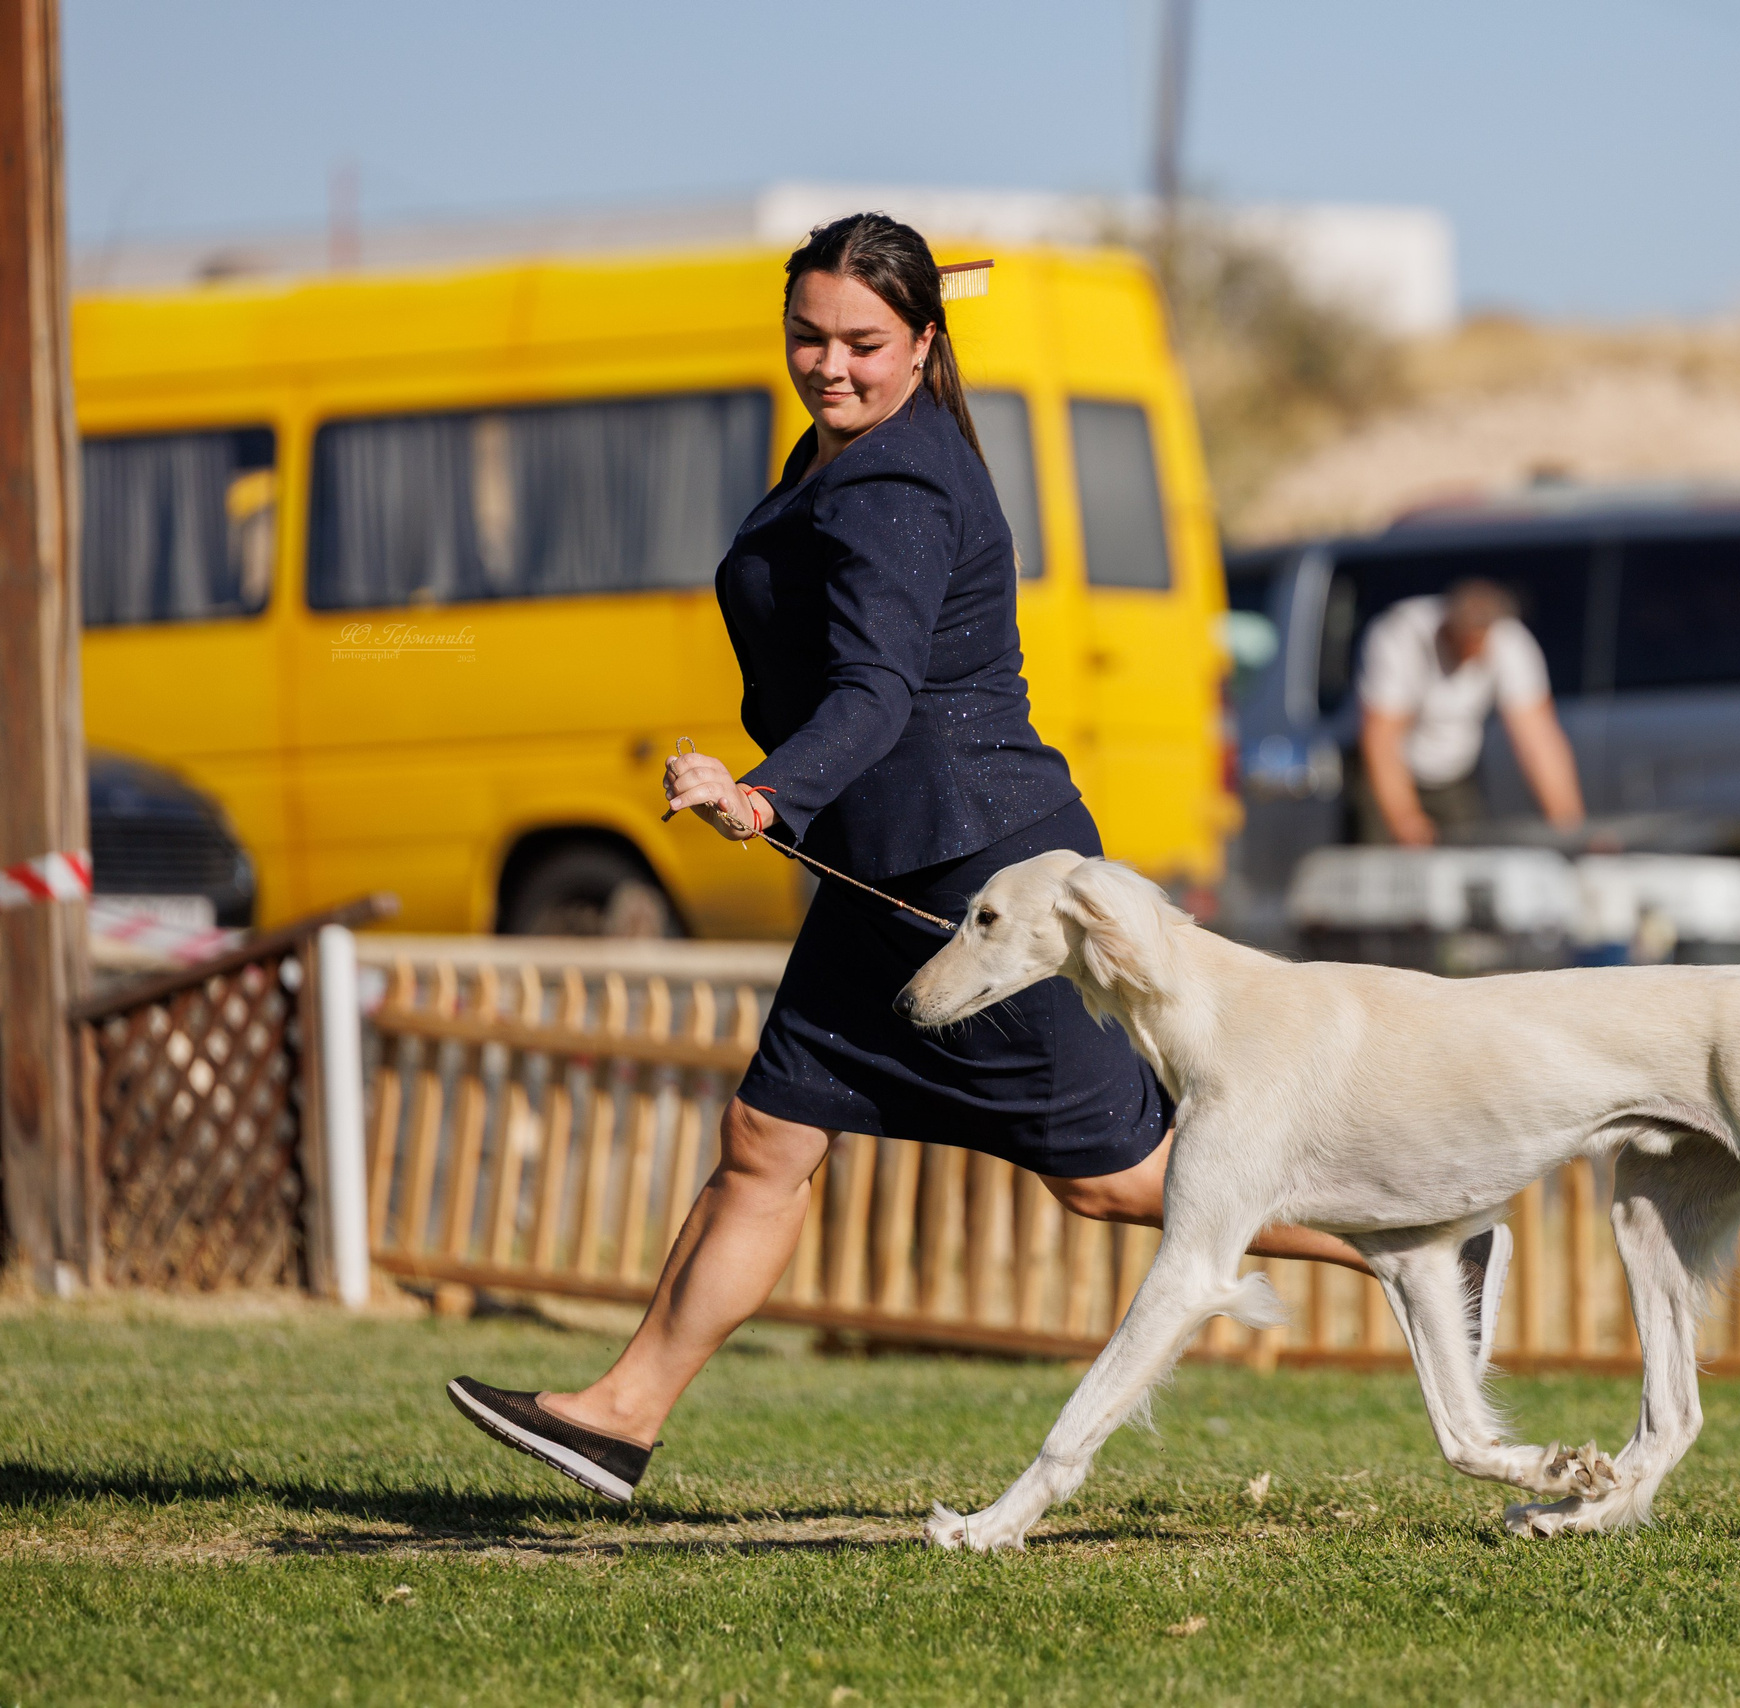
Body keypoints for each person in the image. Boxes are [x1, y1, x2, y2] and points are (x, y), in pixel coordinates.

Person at [445, 214, 1371, 1504]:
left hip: (972, 885)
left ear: (924, 342)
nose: (831, 365)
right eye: (808, 338)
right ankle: (618, 1415)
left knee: (1113, 1178)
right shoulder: (853, 448)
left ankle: (1411, 1236)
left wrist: (765, 797)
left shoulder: (895, 482)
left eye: (864, 344)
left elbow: (875, 693)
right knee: (768, 1135)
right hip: (885, 874)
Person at [1352, 579, 1585, 846]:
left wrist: (1571, 828)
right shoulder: (1399, 636)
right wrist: (1405, 819)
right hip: (1387, 776)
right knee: (1386, 867)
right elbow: (1382, 739)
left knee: (1469, 858)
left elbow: (1539, 740)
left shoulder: (1510, 643)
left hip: (1455, 776)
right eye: (1465, 640)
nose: (1473, 651)